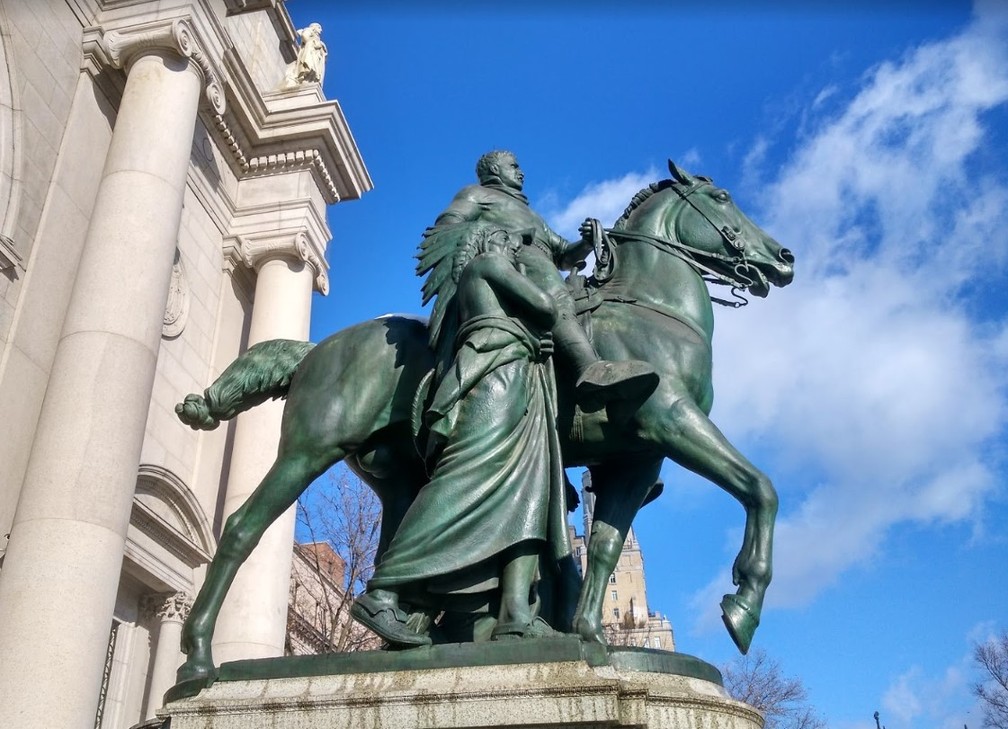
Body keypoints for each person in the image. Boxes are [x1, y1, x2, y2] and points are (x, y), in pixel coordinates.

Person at [351, 226, 572, 645]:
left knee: (530, 491)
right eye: (510, 244)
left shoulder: (492, 269)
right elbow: (545, 307)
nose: (516, 253)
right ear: (491, 243)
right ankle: (383, 592)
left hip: (519, 377)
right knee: (460, 481)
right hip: (494, 377)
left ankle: (515, 612)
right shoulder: (487, 264)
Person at [422, 150, 658, 405]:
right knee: (552, 285)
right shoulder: (475, 194)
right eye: (513, 166)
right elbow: (447, 228)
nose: (521, 171)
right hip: (511, 263)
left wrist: (587, 242)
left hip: (541, 266)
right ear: (493, 171)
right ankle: (589, 368)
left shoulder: (531, 213)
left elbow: (564, 256)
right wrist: (505, 237)